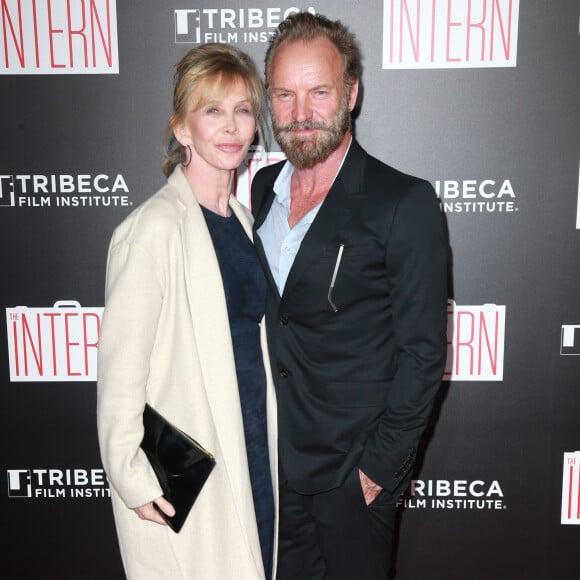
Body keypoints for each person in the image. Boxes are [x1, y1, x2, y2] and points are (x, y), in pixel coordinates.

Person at [251, 12, 448, 580]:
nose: (300, 113)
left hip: (351, 478)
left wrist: (377, 471)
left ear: (352, 92)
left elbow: (423, 355)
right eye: (284, 95)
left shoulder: (402, 203)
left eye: (319, 91)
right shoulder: (261, 188)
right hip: (272, 468)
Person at [97, 43, 277, 580]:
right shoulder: (152, 229)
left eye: (243, 110)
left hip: (254, 442)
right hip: (194, 458)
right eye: (212, 110)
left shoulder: (245, 222)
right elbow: (119, 372)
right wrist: (132, 476)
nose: (231, 127)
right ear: (182, 130)